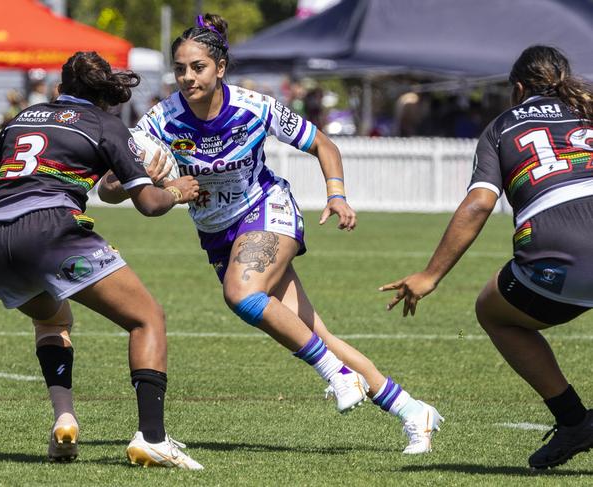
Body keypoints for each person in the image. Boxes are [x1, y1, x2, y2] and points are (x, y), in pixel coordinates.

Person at [99, 13, 443, 454]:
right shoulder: (160, 121)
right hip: (218, 235)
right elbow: (110, 189)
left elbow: (324, 143)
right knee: (317, 334)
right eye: (180, 68)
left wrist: (336, 195)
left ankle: (338, 376)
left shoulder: (254, 107)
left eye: (198, 67)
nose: (187, 77)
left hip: (266, 210)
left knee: (241, 294)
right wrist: (131, 179)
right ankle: (414, 412)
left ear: (220, 68)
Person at [0, 51, 204, 470]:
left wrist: (18, 186)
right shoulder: (108, 125)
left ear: (59, 89)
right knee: (147, 318)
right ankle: (153, 439)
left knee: (52, 320)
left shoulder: (27, 116)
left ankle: (65, 419)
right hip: (51, 232)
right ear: (105, 94)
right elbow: (149, 204)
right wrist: (178, 190)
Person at [381, 45, 593, 469]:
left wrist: (431, 275)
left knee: (494, 312)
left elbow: (479, 204)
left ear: (517, 89)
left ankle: (574, 421)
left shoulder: (501, 128)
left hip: (561, 260)